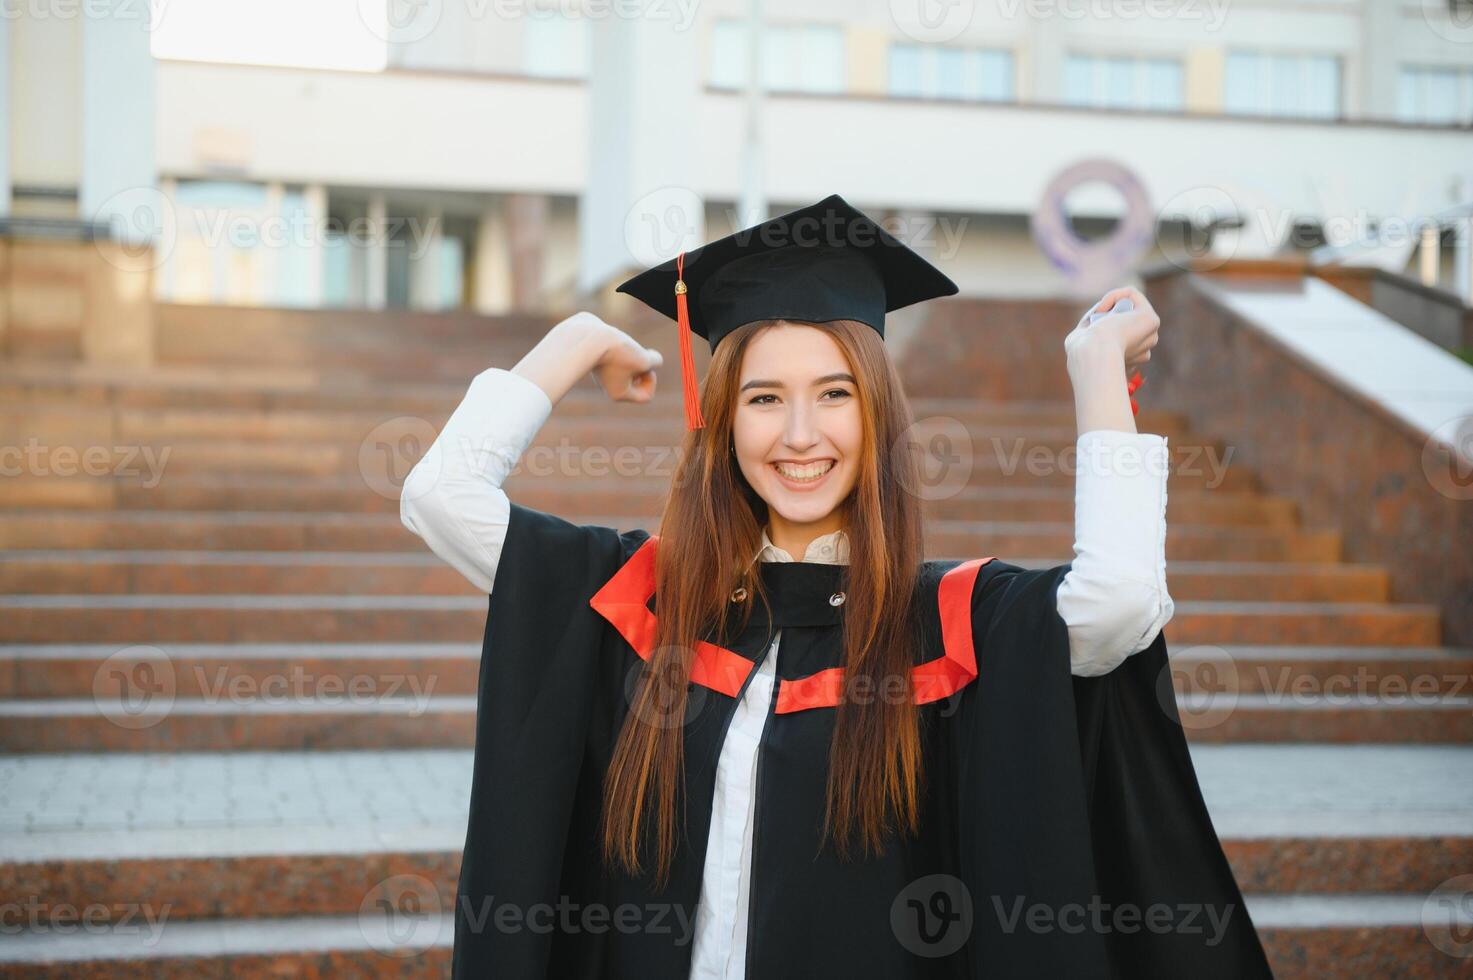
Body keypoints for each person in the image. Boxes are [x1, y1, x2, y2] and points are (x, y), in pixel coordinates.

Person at [400, 194, 1271, 979]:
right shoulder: (645, 594)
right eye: (764, 398)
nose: (801, 434)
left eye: (834, 393)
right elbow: (440, 498)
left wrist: (1095, 375)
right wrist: (576, 341)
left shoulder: (946, 619)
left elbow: (1117, 604)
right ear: (722, 421)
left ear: (876, 413)